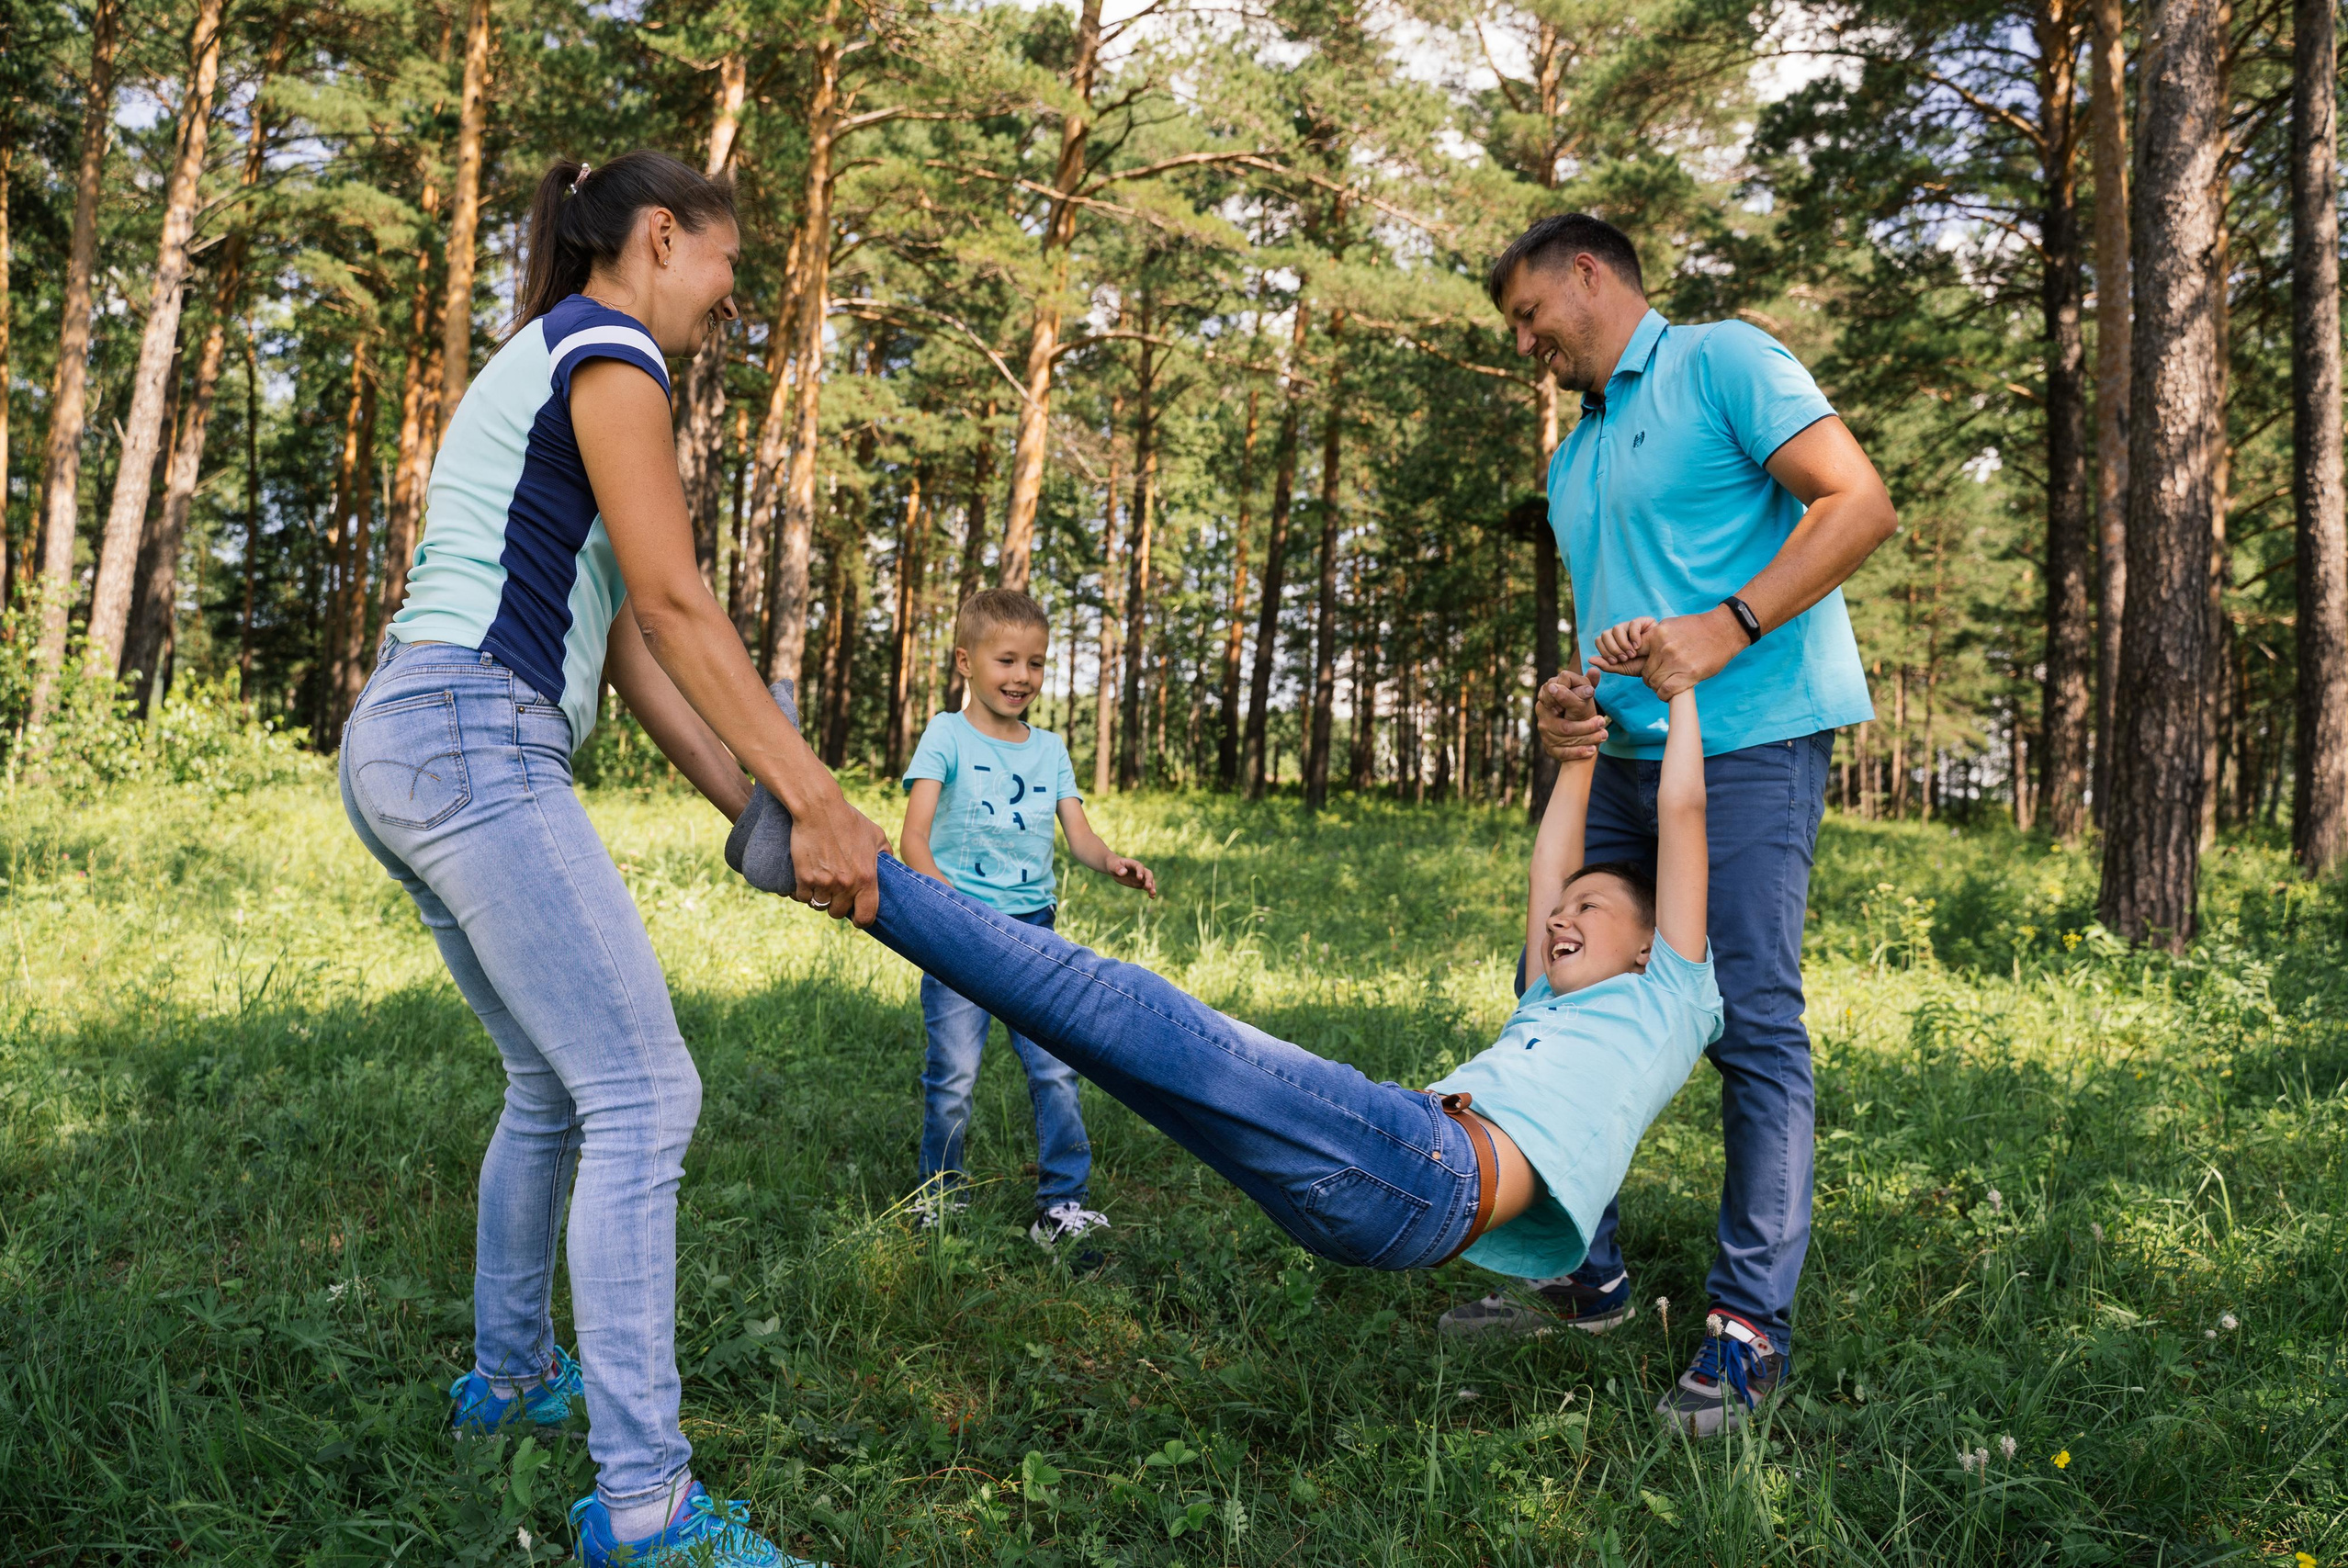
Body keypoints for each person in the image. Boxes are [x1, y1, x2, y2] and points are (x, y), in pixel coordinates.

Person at [341, 150, 886, 1568]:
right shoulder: (612, 350)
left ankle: (511, 1379)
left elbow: (637, 654)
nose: (728, 303)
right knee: (646, 1092)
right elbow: (678, 598)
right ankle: (647, 1513)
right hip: (471, 733)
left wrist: (749, 814)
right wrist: (819, 797)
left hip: (406, 737)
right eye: (723, 269)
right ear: (660, 237)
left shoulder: (553, 360)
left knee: (551, 1083)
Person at [726, 658, 1721, 1308]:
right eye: (1564, 909)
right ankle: (819, 860)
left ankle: (853, 877)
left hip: (1425, 1171)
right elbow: (1552, 864)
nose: (1560, 916)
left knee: (1112, 1002)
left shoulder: (1670, 991)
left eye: (1590, 911)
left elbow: (1681, 816)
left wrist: (1679, 691)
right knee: (1104, 1036)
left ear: (1652, 944)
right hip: (1383, 1189)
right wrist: (1576, 752)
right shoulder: (1553, 999)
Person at [1462, 211, 1896, 1437]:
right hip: (1623, 760)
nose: (1527, 341)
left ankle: (1747, 1326)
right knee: (1550, 990)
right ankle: (1576, 1272)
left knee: (1751, 1022)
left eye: (1531, 314)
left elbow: (1859, 503)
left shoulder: (1724, 362)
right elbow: (1627, 622)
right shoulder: (1574, 457)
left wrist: (1731, 624)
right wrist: (1572, 703)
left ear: (1588, 275)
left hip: (1753, 740)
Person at [898, 588, 1158, 1247]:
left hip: (1033, 934)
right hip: (958, 937)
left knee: (1055, 1069)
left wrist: (1112, 862)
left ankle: (1061, 1206)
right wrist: (947, 911)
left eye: (1036, 663)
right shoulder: (946, 734)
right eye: (1006, 660)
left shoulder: (1049, 750)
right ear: (965, 660)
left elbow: (1079, 837)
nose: (1022, 677)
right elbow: (914, 840)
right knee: (953, 1075)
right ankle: (939, 1196)